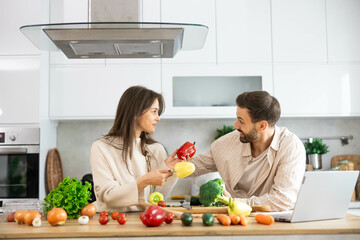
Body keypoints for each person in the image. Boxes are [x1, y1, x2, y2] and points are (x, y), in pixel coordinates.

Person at [190, 91, 305, 211]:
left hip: (273, 224)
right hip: (234, 221)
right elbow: (194, 166)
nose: (235, 125)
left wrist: (233, 202)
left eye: (241, 121)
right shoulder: (224, 145)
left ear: (262, 126)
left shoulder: (291, 147)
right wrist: (170, 166)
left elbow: (283, 200)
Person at [90, 86, 183, 212]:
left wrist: (169, 169)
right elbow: (108, 196)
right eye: (154, 111)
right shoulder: (101, 147)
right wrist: (144, 181)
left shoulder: (156, 149)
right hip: (109, 220)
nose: (158, 117)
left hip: (145, 219)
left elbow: (155, 198)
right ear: (135, 112)